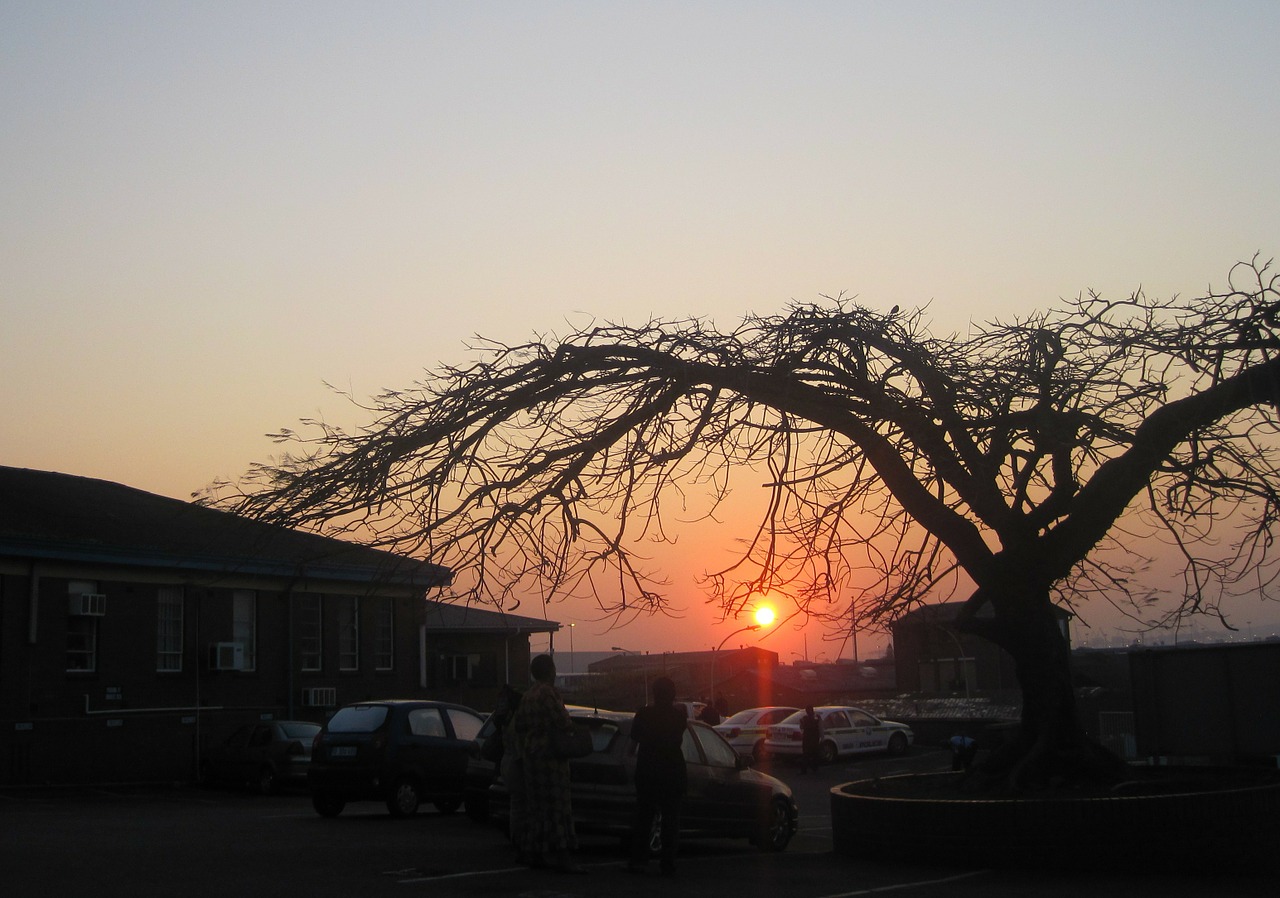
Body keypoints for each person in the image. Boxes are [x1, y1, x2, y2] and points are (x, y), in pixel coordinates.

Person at [510, 654, 583, 873]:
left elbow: (520, 725)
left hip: (532, 755)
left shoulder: (528, 695)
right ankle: (563, 857)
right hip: (551, 757)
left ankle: (534, 851)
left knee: (537, 807)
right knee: (558, 807)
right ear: (550, 670)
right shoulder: (549, 693)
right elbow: (563, 721)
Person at [628, 676, 688, 876]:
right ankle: (668, 863)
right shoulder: (679, 717)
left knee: (644, 817)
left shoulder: (643, 715)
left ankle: (639, 861)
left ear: (653, 693)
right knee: (671, 820)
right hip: (673, 771)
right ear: (673, 694)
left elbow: (631, 747)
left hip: (647, 771)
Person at [799, 706, 821, 773]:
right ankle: (814, 768)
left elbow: (801, 727)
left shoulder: (804, 718)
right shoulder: (816, 718)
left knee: (806, 754)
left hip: (807, 738)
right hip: (814, 738)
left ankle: (804, 770)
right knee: (814, 754)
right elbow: (820, 727)